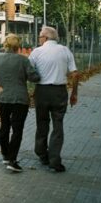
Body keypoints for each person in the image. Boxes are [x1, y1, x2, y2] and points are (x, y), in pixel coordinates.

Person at [0, 33, 40, 173]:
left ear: (5, 45)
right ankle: (12, 160)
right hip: (20, 99)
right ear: (18, 46)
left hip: (3, 98)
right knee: (17, 130)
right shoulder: (24, 60)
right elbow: (34, 77)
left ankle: (5, 155)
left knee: (4, 126)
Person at [28, 26, 79, 173]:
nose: (39, 39)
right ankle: (55, 161)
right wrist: (74, 93)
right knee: (58, 125)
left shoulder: (36, 52)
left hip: (42, 92)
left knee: (42, 123)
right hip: (59, 92)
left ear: (45, 37)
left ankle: (42, 153)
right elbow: (75, 74)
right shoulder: (65, 50)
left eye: (40, 37)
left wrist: (33, 88)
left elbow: (29, 72)